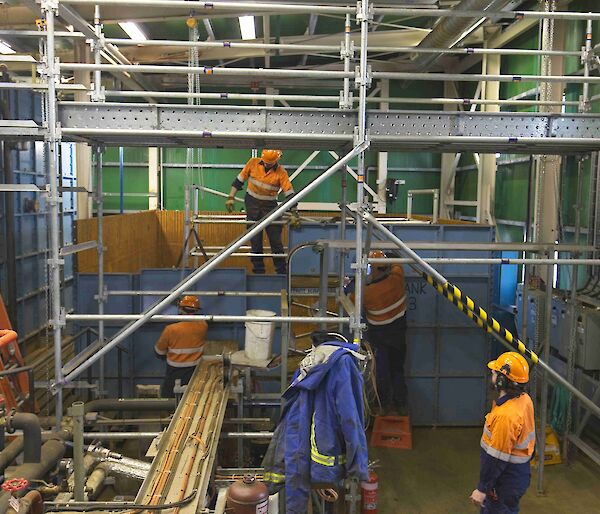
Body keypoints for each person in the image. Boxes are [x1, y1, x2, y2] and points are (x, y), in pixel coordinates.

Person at [262, 331, 368, 514]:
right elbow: (350, 416)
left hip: (301, 449)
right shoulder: (343, 363)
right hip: (325, 453)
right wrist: (358, 465)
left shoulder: (311, 362)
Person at [470, 351, 535, 514]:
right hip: (517, 474)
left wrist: (482, 488)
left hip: (505, 478)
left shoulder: (506, 416)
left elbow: (496, 457)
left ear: (501, 380)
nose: (491, 375)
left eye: (494, 373)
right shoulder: (524, 399)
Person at [349, 250, 408, 416]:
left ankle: (384, 406)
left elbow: (350, 298)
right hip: (398, 334)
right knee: (398, 370)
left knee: (381, 371)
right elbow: (398, 262)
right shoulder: (397, 278)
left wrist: (352, 283)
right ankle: (401, 405)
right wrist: (388, 254)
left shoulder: (367, 293)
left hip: (380, 336)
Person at [226, 149, 294, 275]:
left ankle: (281, 272)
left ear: (276, 161)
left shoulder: (281, 172)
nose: (267, 164)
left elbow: (289, 192)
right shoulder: (253, 163)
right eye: (265, 162)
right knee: (255, 240)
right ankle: (258, 271)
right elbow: (239, 181)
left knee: (276, 241)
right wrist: (231, 197)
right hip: (252, 204)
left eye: (270, 163)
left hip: (270, 207)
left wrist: (294, 211)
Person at [154, 295, 207, 397]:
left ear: (181, 309)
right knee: (191, 397)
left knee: (170, 397)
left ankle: (171, 412)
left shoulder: (171, 329)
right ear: (196, 310)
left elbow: (159, 352)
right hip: (195, 369)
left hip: (175, 371)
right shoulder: (203, 325)